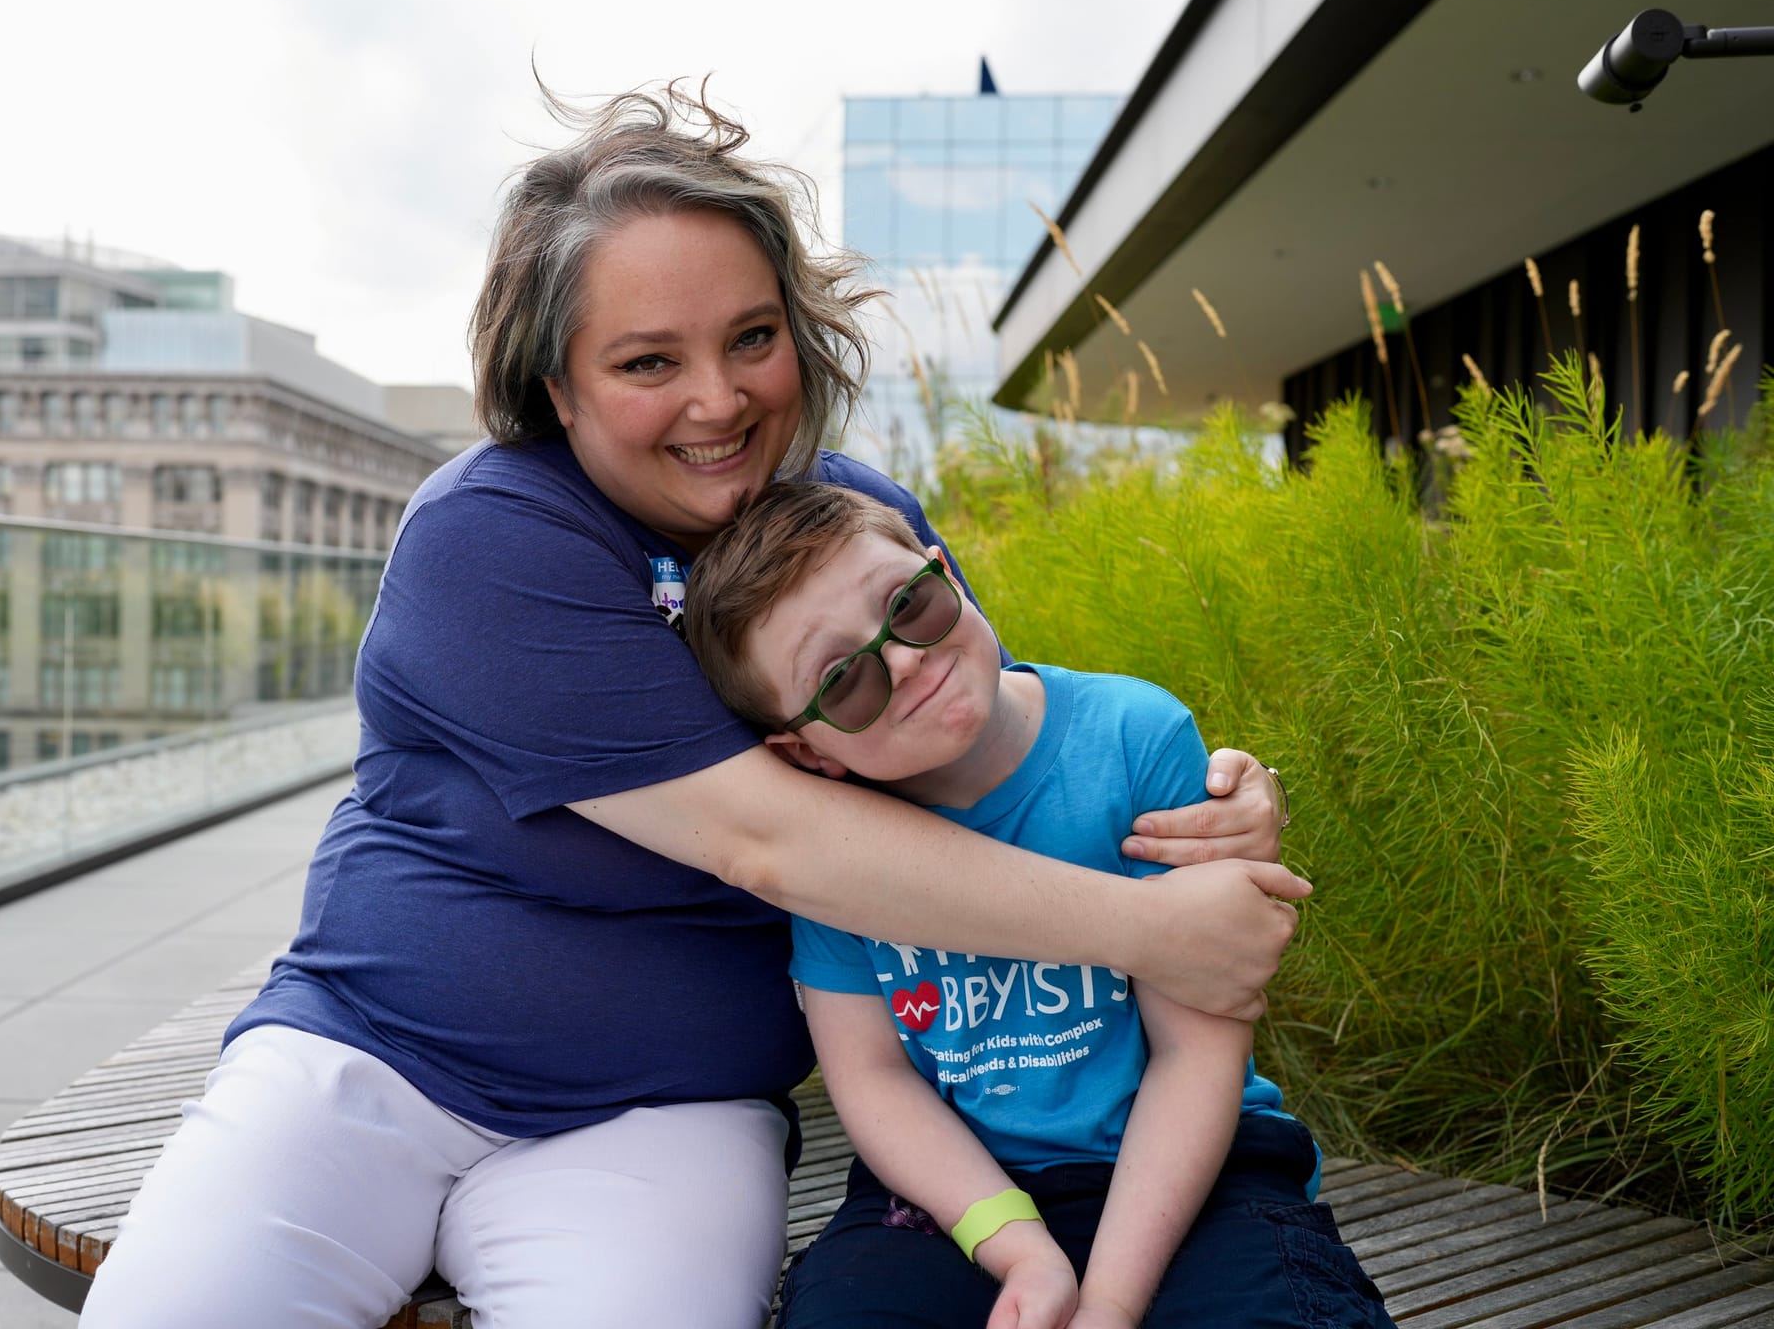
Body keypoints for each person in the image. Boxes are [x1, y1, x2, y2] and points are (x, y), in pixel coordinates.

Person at [78, 82, 1308, 1329]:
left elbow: (973, 751)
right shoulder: (491, 535)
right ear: (556, 385)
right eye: (647, 361)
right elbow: (763, 836)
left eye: (752, 337)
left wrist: (1202, 806)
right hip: (373, 1062)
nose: (717, 400)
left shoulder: (856, 514)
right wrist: (1155, 928)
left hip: (670, 1115)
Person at [683, 481, 1393, 1329]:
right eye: (843, 679)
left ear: (945, 571)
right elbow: (872, 1078)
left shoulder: (1134, 738)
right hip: (954, 1192)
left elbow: (1194, 1055)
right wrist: (1013, 1243)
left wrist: (1110, 1307)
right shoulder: (831, 843)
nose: (904, 660)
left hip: (1190, 1171)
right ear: (806, 753)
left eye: (909, 603)